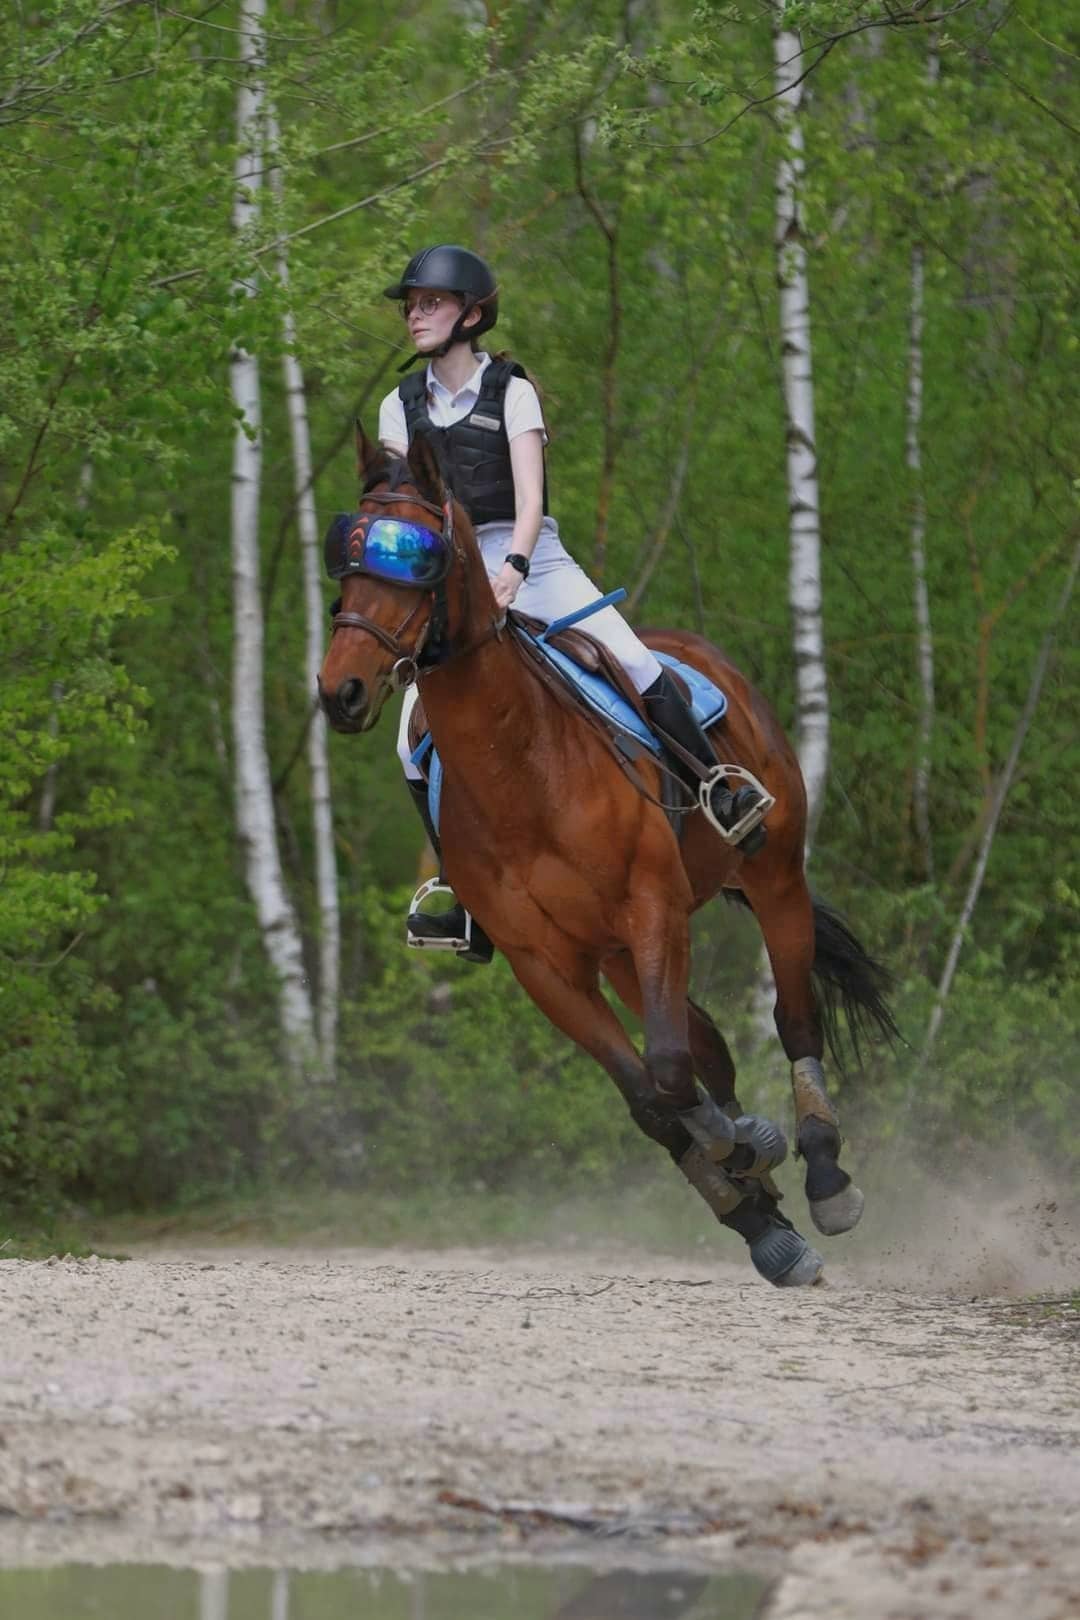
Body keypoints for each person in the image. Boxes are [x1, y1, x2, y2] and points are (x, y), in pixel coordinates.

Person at [378, 245, 765, 961]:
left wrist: (515, 570)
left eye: (429, 303)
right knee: (411, 739)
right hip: (447, 579)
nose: (414, 315)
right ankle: (463, 893)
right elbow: (403, 513)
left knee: (633, 660)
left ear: (471, 314)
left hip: (531, 559)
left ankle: (718, 789)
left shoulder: (511, 391)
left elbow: (530, 500)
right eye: (411, 305)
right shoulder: (397, 405)